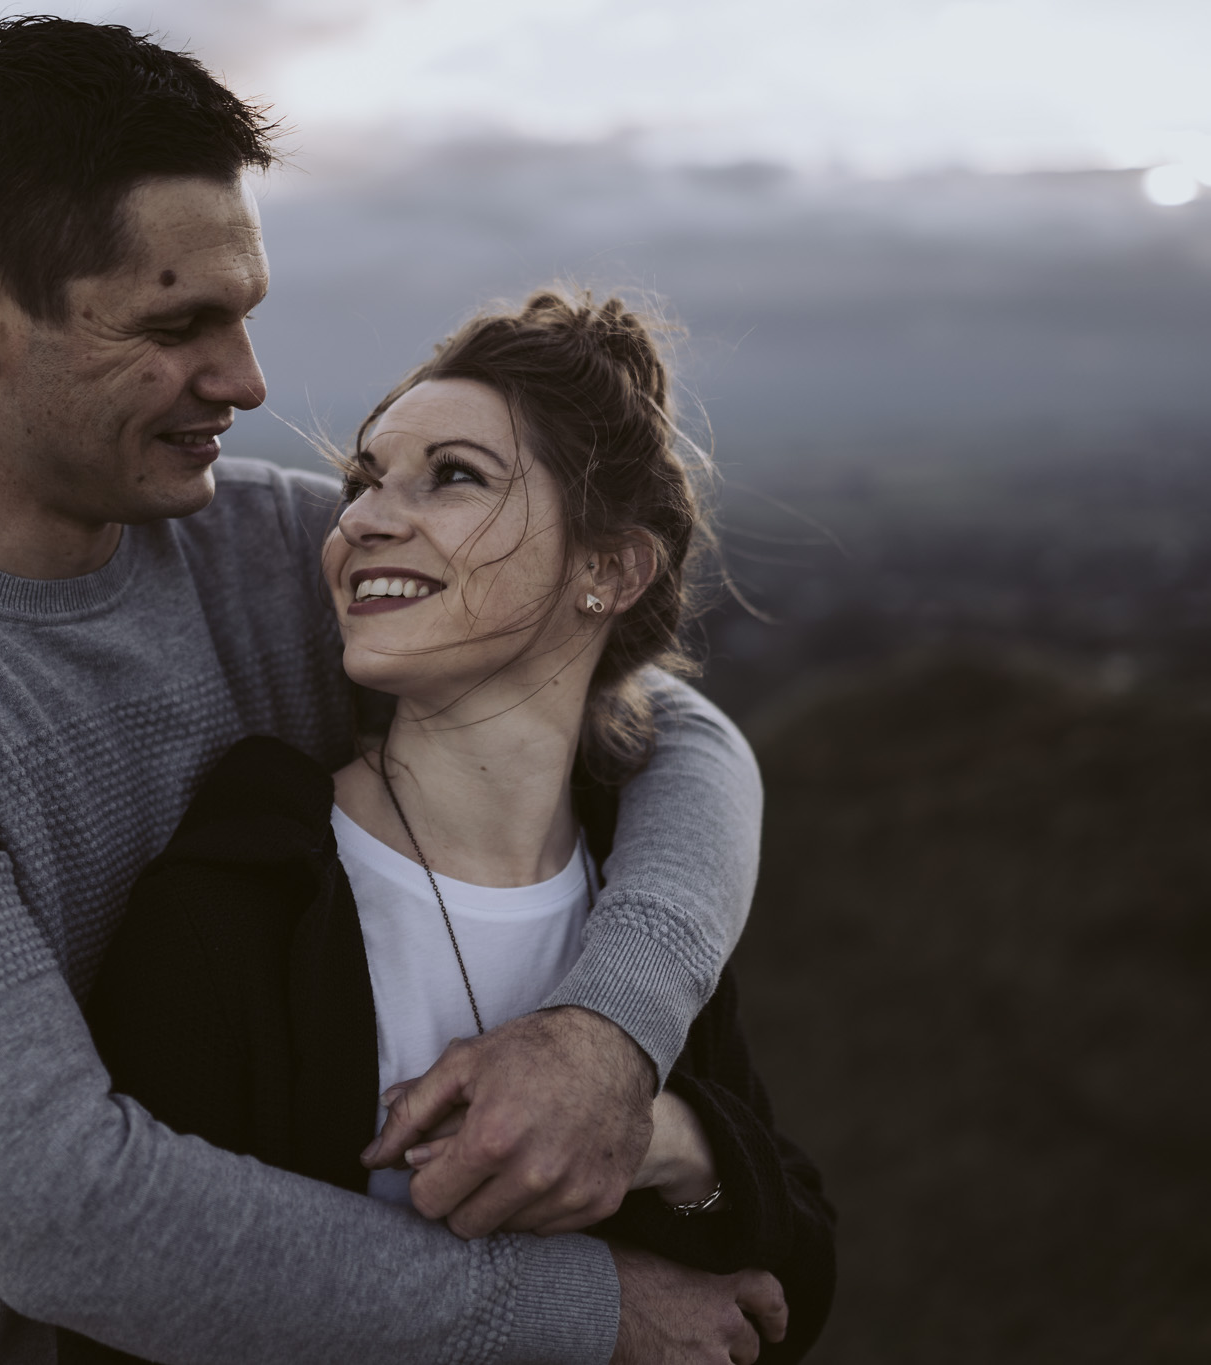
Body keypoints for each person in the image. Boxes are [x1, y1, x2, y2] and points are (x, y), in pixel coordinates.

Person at [0, 17, 766, 1364]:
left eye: (245, 315)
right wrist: (583, 1315)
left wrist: (611, 1035)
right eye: (179, 324)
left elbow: (673, 722)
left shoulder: (266, 546)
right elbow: (66, 1212)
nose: (244, 382)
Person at [86, 291, 834, 1365]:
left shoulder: (639, 894)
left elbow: (785, 1293)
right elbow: (137, 1313)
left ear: (606, 571)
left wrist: (657, 1135)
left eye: (452, 476)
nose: (362, 521)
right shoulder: (234, 901)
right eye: (365, 481)